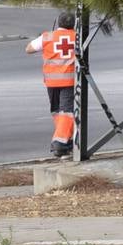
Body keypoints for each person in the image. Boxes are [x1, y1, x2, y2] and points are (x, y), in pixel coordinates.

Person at [25, 11, 77, 157]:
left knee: (57, 111)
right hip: (68, 81)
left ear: (58, 23)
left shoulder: (48, 36)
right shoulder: (76, 37)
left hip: (51, 82)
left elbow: (28, 49)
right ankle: (59, 142)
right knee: (67, 112)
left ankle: (66, 141)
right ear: (73, 24)